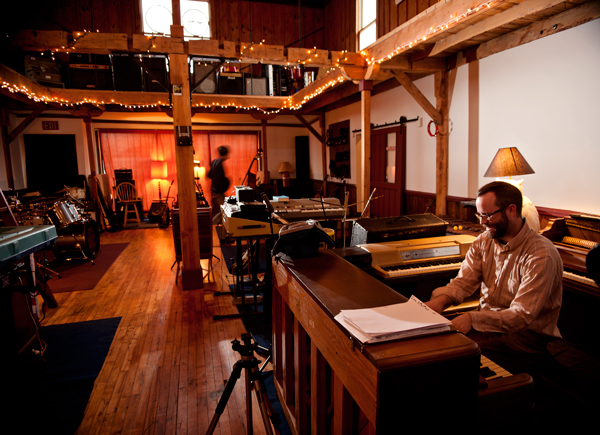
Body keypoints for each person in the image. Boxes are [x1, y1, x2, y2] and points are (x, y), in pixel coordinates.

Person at [425, 181, 563, 371]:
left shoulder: (541, 254)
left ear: (511, 210)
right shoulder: (484, 241)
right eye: (479, 215)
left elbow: (521, 316)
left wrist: (472, 319)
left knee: (455, 358)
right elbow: (463, 282)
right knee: (431, 347)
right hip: (489, 326)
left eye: (487, 215)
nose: (481, 222)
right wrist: (440, 301)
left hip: (529, 337)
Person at [208, 145, 230, 225]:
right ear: (226, 154)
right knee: (225, 209)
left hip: (214, 190)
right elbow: (220, 180)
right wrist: (227, 181)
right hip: (218, 190)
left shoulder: (215, 162)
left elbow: (209, 175)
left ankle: (217, 223)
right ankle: (213, 223)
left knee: (224, 207)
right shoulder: (219, 163)